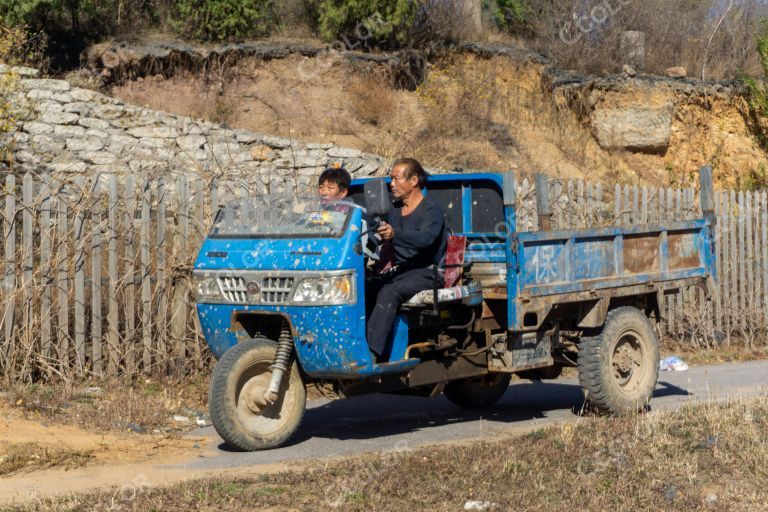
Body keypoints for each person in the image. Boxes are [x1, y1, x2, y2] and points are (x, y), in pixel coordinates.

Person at [365, 158, 447, 361]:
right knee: (364, 287)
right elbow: (365, 220)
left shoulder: (431, 210)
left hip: (428, 273)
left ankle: (372, 354)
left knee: (388, 292)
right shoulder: (393, 210)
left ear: (414, 180)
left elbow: (426, 238)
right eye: (391, 179)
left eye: (396, 178)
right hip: (403, 272)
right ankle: (355, 344)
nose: (391, 184)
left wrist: (394, 235)